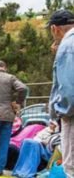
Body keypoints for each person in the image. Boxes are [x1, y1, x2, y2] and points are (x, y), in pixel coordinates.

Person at [47, 9, 74, 176]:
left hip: (72, 115)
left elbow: (69, 90)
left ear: (54, 28)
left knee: (71, 167)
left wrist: (61, 112)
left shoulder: (67, 45)